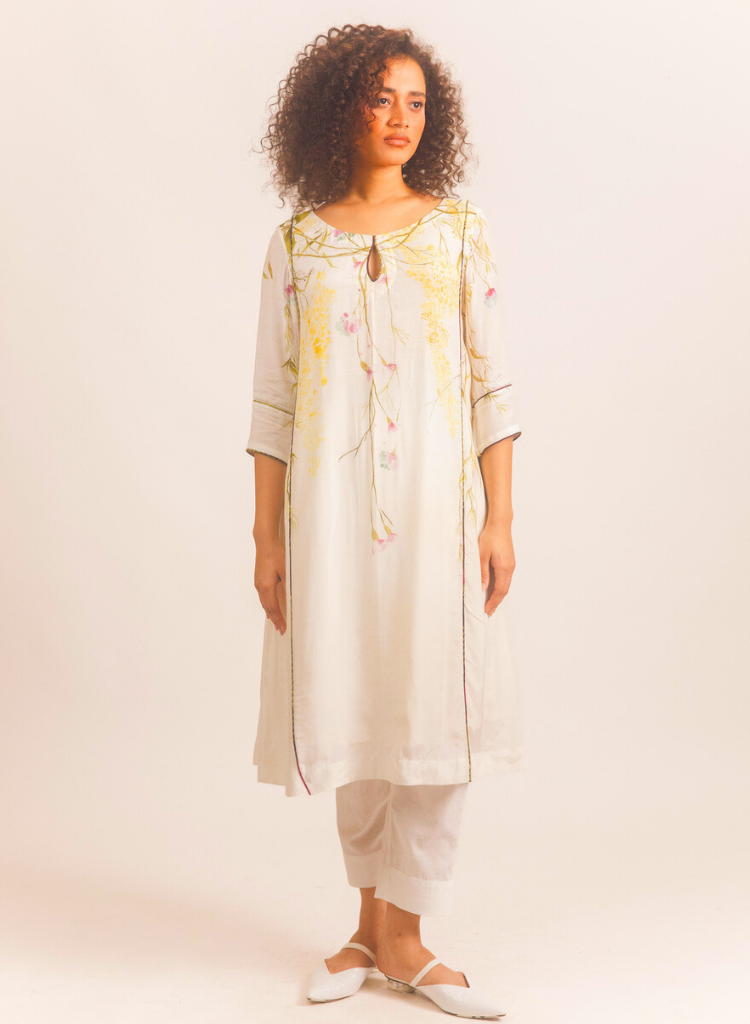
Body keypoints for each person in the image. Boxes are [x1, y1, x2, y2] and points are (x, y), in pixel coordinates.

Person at [245, 24, 526, 1019]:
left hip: (439, 520)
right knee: (353, 704)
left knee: (435, 711)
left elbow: (492, 384)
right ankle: (370, 930)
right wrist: (267, 539)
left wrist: (500, 517)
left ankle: (407, 931)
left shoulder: (458, 231)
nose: (401, 118)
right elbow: (273, 405)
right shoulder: (297, 244)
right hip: (327, 527)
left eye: (416, 101)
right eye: (380, 98)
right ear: (340, 109)